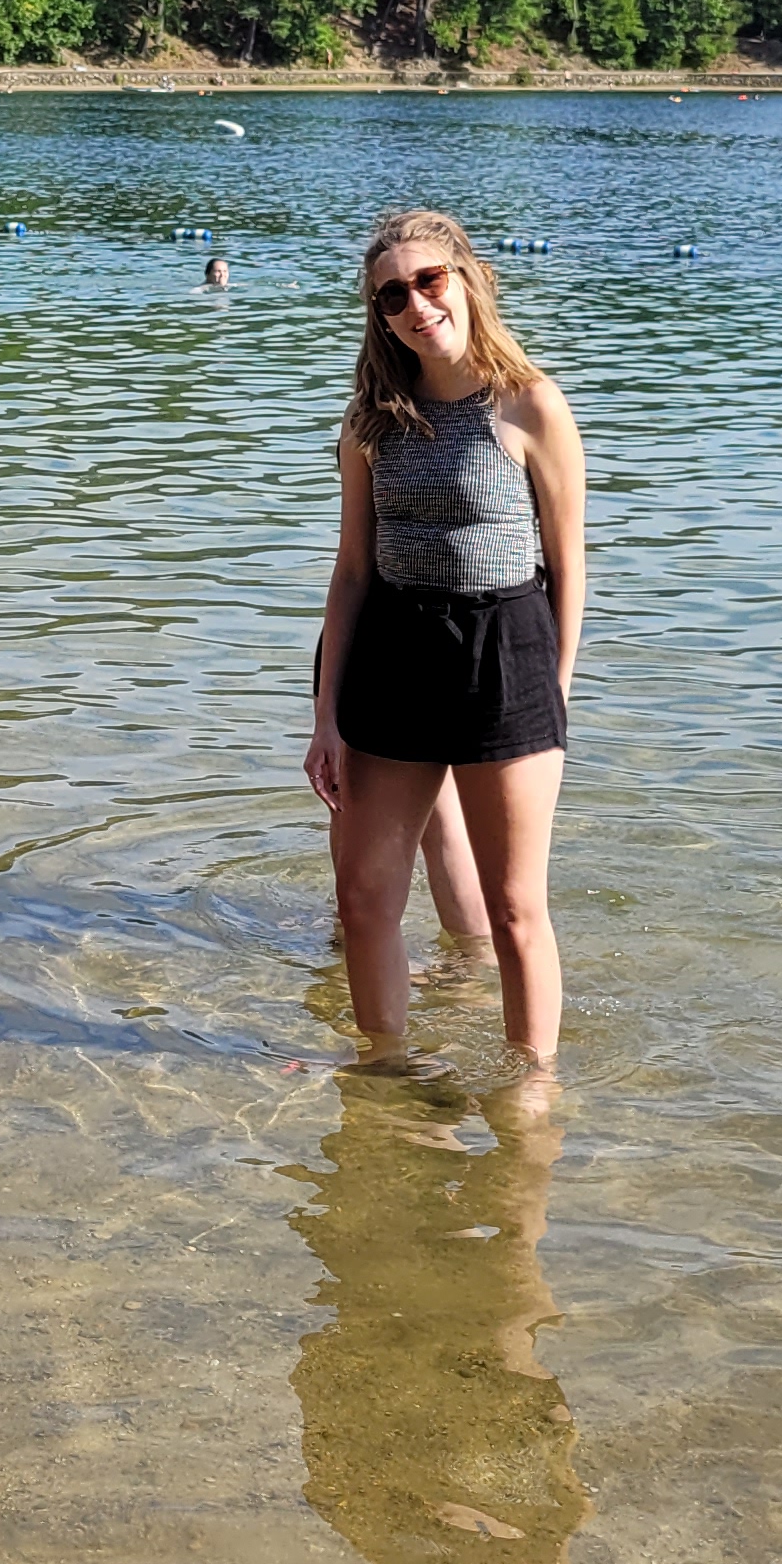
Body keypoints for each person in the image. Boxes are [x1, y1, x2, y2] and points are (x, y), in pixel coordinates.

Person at [303, 211, 585, 1071]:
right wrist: (325, 719)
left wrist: (553, 696)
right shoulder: (370, 420)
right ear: (380, 315)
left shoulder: (530, 403)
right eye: (392, 295)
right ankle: (385, 1075)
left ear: (468, 280)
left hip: (506, 652)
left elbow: (568, 565)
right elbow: (352, 571)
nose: (416, 306)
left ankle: (530, 1091)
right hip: (392, 651)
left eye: (429, 281)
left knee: (514, 910)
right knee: (363, 900)